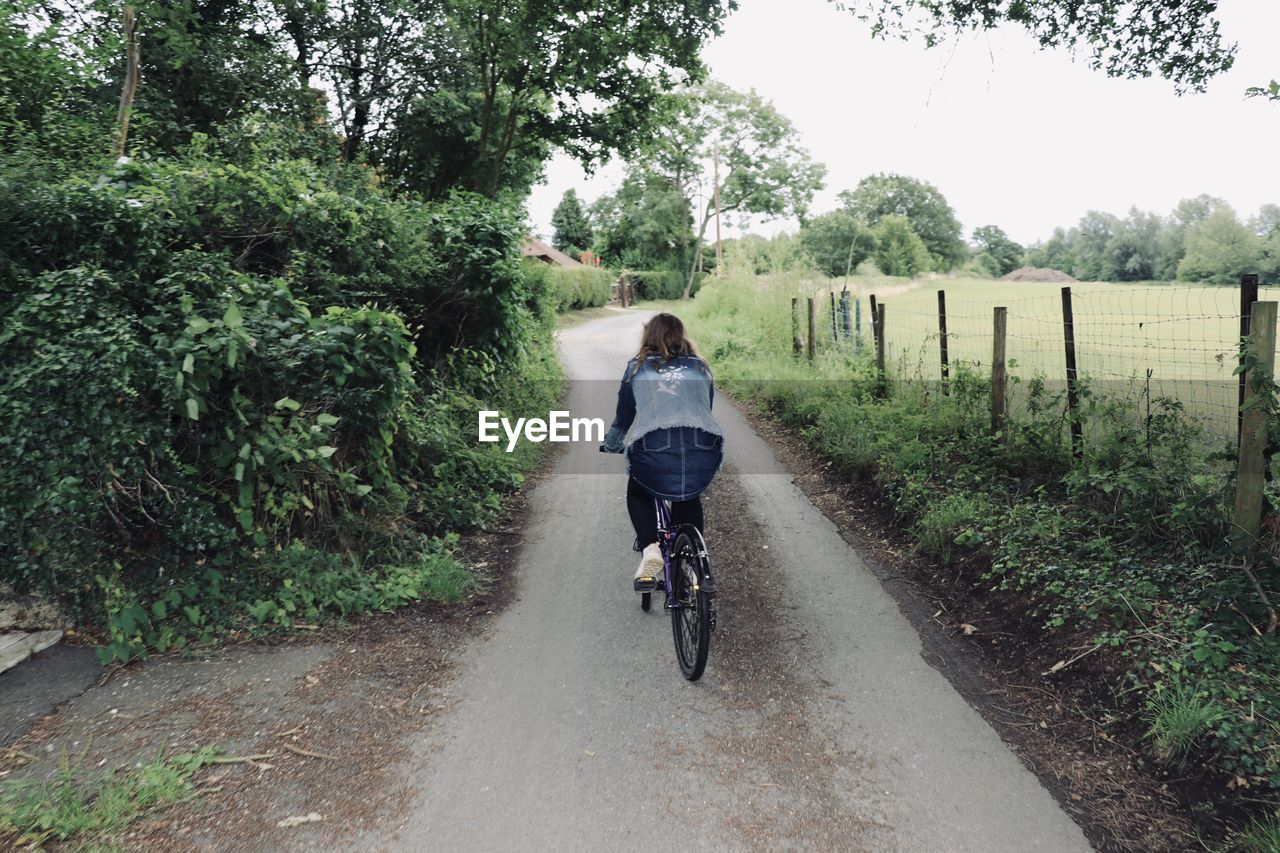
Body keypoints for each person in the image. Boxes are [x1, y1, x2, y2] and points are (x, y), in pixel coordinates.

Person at [601, 313, 724, 590]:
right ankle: (695, 565)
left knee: (638, 492)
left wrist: (612, 444)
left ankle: (650, 549)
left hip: (654, 448)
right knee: (688, 494)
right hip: (702, 446)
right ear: (682, 335)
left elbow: (623, 418)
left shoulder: (637, 368)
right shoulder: (701, 367)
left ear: (649, 336)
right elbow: (705, 408)